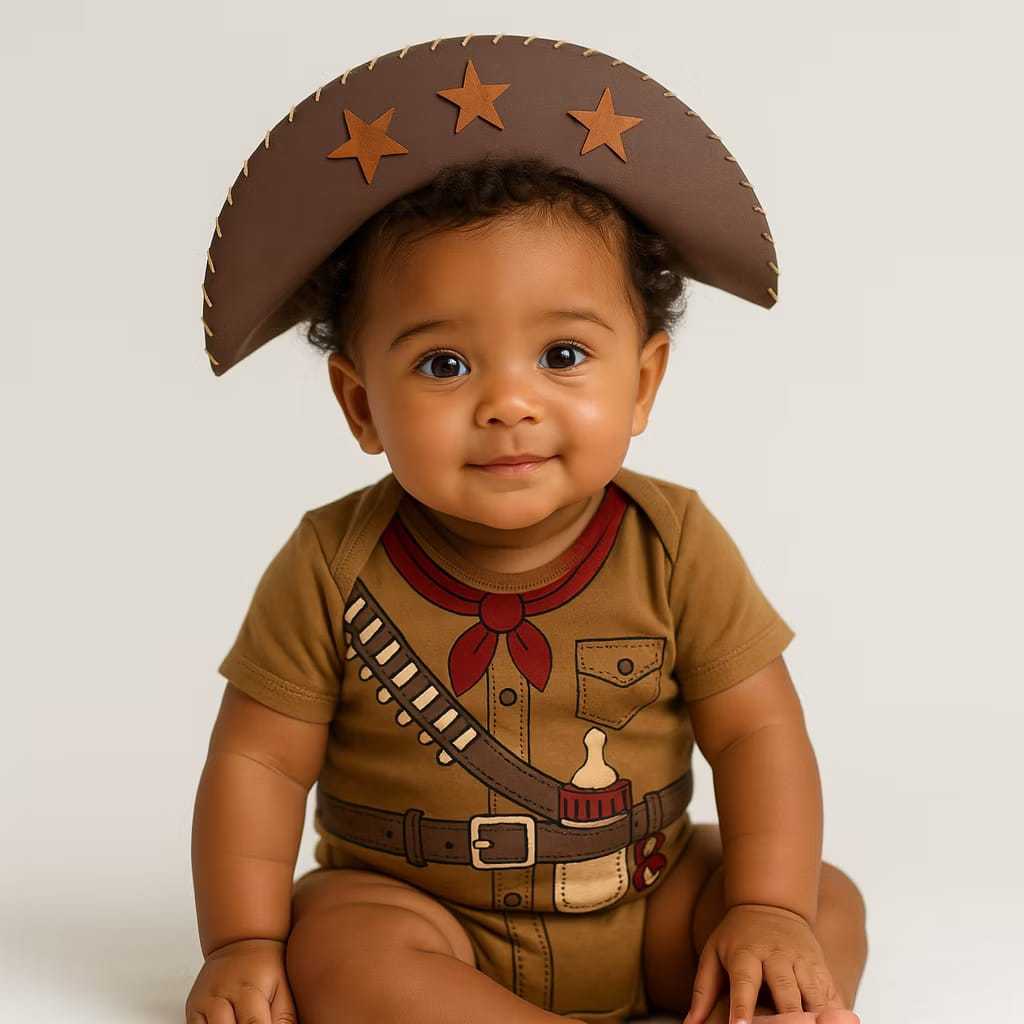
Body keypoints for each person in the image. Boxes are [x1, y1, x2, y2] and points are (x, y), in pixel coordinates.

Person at [187, 35, 868, 1024]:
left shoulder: (672, 541)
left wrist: (766, 908)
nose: (509, 402)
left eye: (561, 354)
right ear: (361, 404)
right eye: (443, 365)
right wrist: (242, 941)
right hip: (424, 910)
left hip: (644, 896)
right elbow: (257, 762)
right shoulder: (330, 566)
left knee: (822, 903)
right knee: (336, 949)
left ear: (642, 382)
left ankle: (747, 998)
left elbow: (758, 730)